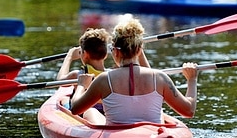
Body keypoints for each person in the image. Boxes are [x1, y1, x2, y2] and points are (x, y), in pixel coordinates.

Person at [70, 19, 199, 125]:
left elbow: (75, 109)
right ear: (139, 50)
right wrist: (192, 80)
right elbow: (189, 111)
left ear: (115, 51)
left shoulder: (103, 80)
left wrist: (82, 85)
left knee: (90, 112)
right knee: (160, 112)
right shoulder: (160, 78)